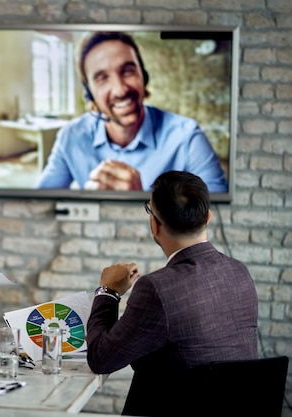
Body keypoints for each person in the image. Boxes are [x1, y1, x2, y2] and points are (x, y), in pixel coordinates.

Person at [85, 171, 257, 416]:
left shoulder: (157, 288)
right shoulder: (240, 272)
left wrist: (108, 292)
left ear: (154, 225)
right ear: (208, 217)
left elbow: (101, 360)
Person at [35, 31, 228, 193]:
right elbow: (37, 203)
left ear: (143, 76)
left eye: (128, 71)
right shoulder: (71, 137)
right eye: (102, 78)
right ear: (89, 94)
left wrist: (141, 202)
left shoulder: (187, 136)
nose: (120, 90)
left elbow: (217, 215)